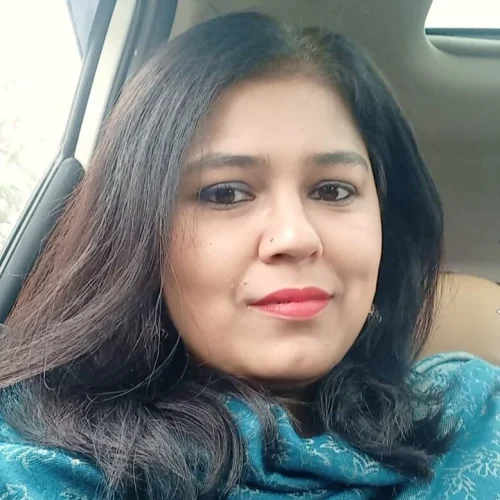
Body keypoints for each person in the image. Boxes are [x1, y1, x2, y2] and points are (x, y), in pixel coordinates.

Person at [0, 11, 498, 500]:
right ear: (139, 233)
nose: (295, 237)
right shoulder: (43, 469)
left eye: (333, 190)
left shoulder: (475, 415)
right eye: (226, 194)